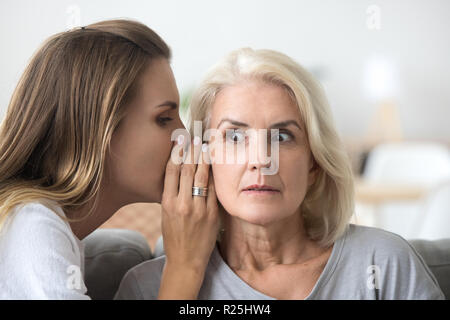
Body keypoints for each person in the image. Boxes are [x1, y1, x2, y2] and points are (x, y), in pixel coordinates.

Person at [115, 48, 445, 300]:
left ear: (314, 163)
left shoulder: (383, 263)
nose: (261, 159)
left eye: (283, 136)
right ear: (204, 158)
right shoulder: (149, 288)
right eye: (234, 136)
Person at [0, 19, 219, 299]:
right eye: (163, 118)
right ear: (98, 129)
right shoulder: (32, 227)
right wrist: (184, 267)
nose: (185, 138)